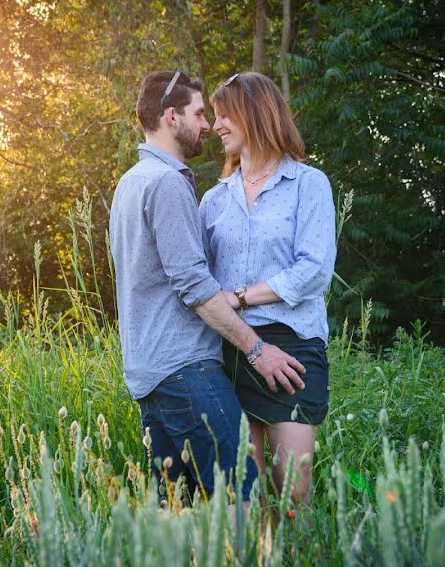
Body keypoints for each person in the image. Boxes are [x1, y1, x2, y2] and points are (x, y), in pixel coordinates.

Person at [109, 70, 308, 503]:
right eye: (199, 114)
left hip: (147, 376)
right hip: (186, 371)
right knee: (245, 503)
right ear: (170, 116)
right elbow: (194, 287)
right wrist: (258, 350)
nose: (207, 125)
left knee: (177, 513)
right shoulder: (166, 183)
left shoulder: (130, 182)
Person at [199, 71, 336, 503]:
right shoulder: (213, 200)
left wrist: (239, 296)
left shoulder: (308, 184)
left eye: (225, 116)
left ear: (256, 114)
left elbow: (314, 270)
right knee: (249, 493)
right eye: (214, 116)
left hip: (292, 348)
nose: (216, 126)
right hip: (232, 349)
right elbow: (198, 280)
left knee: (292, 493)